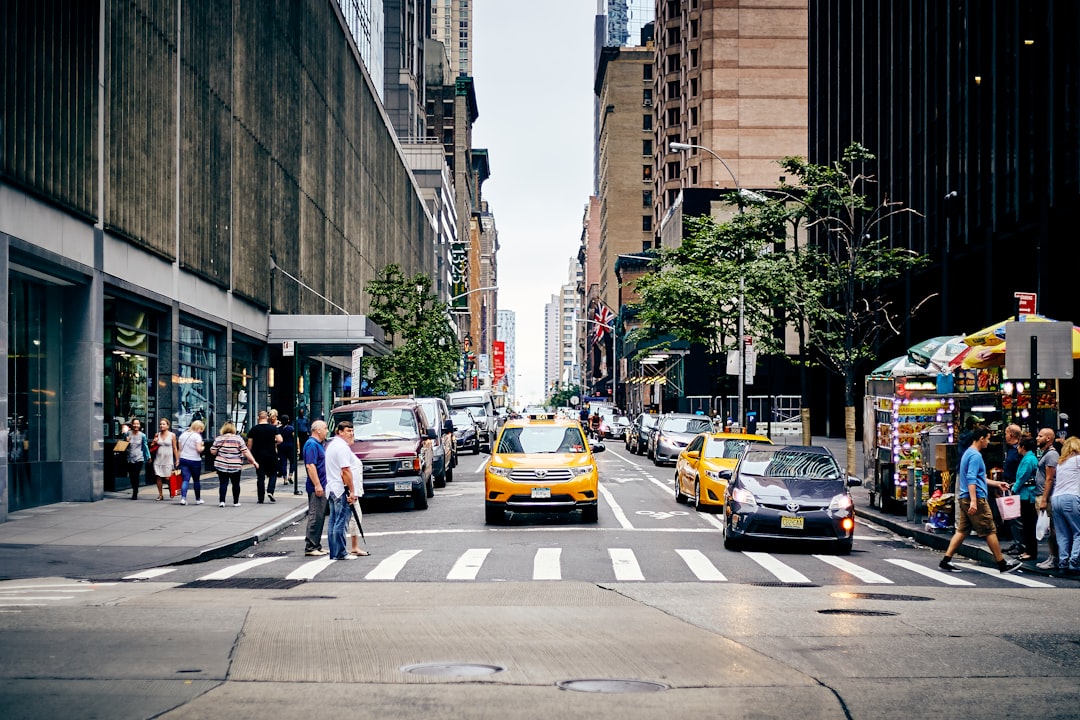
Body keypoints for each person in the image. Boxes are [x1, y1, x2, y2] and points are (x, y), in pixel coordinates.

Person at [938, 426, 1022, 574]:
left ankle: (946, 560)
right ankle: (1002, 564)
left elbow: (978, 477)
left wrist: (997, 483)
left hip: (965, 497)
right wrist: (974, 501)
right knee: (990, 530)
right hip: (975, 497)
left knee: (962, 530)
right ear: (981, 438)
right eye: (988, 439)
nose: (988, 442)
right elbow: (972, 478)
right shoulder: (975, 455)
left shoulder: (968, 453)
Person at [324, 420, 358, 561]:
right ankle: (341, 552)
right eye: (348, 431)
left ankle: (334, 552)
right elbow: (346, 471)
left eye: (352, 431)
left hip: (331, 487)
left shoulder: (332, 445)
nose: (351, 434)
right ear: (340, 432)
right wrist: (352, 491)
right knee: (341, 522)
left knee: (333, 521)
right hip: (340, 488)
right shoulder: (342, 448)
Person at [1050, 436, 1080, 575]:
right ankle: (1074, 562)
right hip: (1071, 497)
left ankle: (1063, 562)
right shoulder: (1077, 460)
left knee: (1062, 533)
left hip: (1056, 498)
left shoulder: (1061, 463)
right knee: (1078, 532)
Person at [211, 421, 258, 507]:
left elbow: (213, 452)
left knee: (223, 483)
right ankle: (235, 502)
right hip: (235, 464)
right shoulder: (238, 439)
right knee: (236, 484)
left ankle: (222, 501)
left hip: (222, 464)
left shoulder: (219, 438)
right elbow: (245, 451)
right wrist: (253, 461)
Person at [303, 420, 330, 557]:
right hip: (316, 487)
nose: (327, 431)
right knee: (315, 515)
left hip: (322, 485)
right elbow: (310, 466)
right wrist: (317, 485)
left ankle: (316, 545)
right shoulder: (311, 444)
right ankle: (311, 546)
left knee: (319, 516)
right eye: (325, 428)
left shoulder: (318, 444)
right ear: (318, 430)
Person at [1035, 427, 1061, 570]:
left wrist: (1044, 498)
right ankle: (1052, 556)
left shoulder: (1051, 455)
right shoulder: (1045, 454)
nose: (1037, 438)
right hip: (1042, 494)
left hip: (1048, 496)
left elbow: (1050, 479)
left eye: (1040, 436)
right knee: (1048, 528)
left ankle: (1055, 558)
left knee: (1051, 528)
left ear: (1048, 438)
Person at [1011, 437, 1039, 561]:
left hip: (1027, 495)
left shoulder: (1028, 460)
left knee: (1028, 524)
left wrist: (1014, 489)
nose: (1017, 448)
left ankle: (1030, 551)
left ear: (1022, 447)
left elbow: (1022, 477)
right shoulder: (1031, 458)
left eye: (1019, 446)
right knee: (1028, 523)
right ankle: (1029, 550)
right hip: (1028, 493)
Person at [247, 410, 282, 503]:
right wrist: (273, 442)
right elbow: (280, 440)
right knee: (273, 473)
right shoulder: (273, 428)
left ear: (258, 418)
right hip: (271, 454)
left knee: (260, 477)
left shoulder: (253, 429)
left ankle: (260, 498)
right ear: (267, 418)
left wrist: (249, 456)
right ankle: (270, 490)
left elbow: (249, 445)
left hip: (258, 456)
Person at [999, 424, 1023, 553]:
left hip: (1014, 485)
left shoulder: (1018, 450)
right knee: (1010, 516)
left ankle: (1020, 544)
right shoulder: (1010, 449)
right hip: (1008, 484)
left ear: (1011, 435)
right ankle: (1016, 541)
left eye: (1006, 434)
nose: (1005, 436)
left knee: (1016, 517)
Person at [176, 420, 206, 505]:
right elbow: (199, 450)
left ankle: (183, 498)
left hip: (183, 459)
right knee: (196, 480)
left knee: (185, 479)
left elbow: (180, 449)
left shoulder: (183, 435)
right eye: (201, 429)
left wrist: (178, 460)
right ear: (198, 428)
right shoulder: (197, 436)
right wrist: (203, 446)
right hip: (195, 460)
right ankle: (198, 499)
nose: (201, 431)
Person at [151, 418, 180, 501]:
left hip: (168, 459)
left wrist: (177, 459)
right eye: (160, 424)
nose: (161, 425)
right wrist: (154, 442)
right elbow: (152, 446)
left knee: (168, 478)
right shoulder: (157, 434)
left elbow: (175, 448)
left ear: (168, 426)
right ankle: (160, 495)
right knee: (158, 477)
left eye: (163, 424)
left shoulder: (172, 435)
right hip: (158, 458)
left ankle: (171, 489)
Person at [122, 418, 151, 500]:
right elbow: (123, 445)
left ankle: (135, 491)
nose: (136, 425)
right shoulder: (127, 433)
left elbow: (145, 446)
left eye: (137, 424)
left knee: (136, 474)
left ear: (140, 425)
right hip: (130, 457)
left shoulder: (142, 435)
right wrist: (126, 441)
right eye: (134, 424)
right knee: (131, 475)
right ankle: (134, 487)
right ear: (132, 424)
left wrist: (148, 456)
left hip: (139, 458)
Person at [278, 414, 297, 486]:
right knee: (293, 462)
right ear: (288, 420)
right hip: (291, 447)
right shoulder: (291, 428)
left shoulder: (279, 429)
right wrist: (298, 447)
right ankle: (290, 475)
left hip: (282, 447)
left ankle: (285, 479)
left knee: (283, 463)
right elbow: (295, 437)